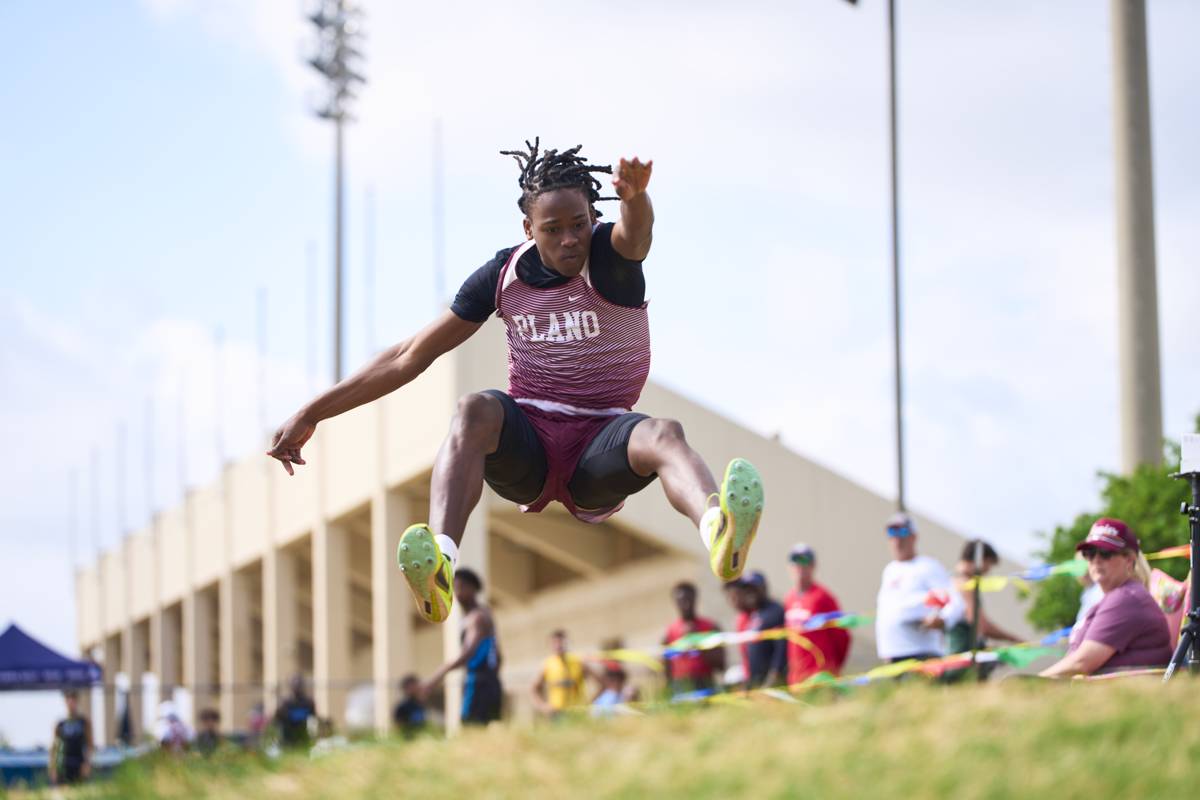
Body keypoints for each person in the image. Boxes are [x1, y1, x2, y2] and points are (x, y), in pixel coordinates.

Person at [267, 140, 765, 625]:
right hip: (529, 447)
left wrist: (636, 199)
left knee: (664, 433)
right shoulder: (502, 276)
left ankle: (717, 527)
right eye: (553, 229)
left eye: (579, 224)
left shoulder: (608, 257)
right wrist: (312, 412)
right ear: (529, 227)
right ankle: (439, 564)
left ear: (594, 215)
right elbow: (407, 356)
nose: (570, 239)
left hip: (601, 445)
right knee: (474, 410)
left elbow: (636, 236)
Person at [1040, 518, 1172, 677]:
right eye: (1089, 553)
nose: (1096, 559)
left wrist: (1031, 683)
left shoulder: (1126, 598)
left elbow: (1082, 663)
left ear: (1129, 560)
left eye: (1105, 553)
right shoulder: (1118, 597)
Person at [875, 513, 964, 663]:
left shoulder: (928, 566)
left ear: (914, 537)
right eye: (891, 533)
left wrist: (942, 619)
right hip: (892, 655)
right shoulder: (889, 570)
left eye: (902, 532)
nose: (897, 540)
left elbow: (955, 601)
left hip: (921, 654)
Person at [421, 568, 503, 725]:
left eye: (460, 588)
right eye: (454, 588)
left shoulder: (476, 618)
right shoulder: (482, 613)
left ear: (473, 588)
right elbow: (498, 656)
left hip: (480, 683)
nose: (457, 593)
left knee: (472, 728)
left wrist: (436, 678)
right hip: (487, 681)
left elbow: (468, 653)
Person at [783, 544, 850, 684]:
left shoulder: (823, 597)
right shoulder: (789, 599)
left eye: (805, 561)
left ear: (813, 566)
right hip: (797, 678)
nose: (800, 567)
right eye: (795, 561)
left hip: (820, 676)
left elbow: (842, 636)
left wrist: (833, 668)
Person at [947, 539, 1021, 655]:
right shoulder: (965, 585)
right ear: (980, 560)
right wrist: (1015, 640)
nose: (987, 572)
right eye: (988, 565)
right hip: (958, 658)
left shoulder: (948, 580)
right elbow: (981, 625)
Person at [661, 582, 724, 695]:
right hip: (679, 687)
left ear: (695, 599)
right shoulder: (669, 633)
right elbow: (666, 666)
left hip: (705, 682)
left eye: (688, 599)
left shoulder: (710, 627)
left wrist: (697, 642)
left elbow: (721, 665)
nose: (685, 605)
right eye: (680, 601)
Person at [736, 571, 787, 688]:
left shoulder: (774, 611)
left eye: (753, 588)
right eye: (746, 589)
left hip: (772, 681)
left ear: (763, 588)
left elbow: (781, 647)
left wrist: (774, 676)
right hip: (756, 680)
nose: (749, 593)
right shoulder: (754, 614)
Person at [532, 629, 596, 717]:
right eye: (555, 643)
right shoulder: (548, 664)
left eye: (561, 642)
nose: (558, 646)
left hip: (577, 711)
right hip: (557, 713)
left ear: (567, 643)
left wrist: (590, 703)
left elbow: (602, 683)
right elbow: (534, 689)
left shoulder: (578, 661)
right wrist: (544, 706)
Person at [47, 689, 92, 786]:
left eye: (73, 699)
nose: (71, 702)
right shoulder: (60, 724)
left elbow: (89, 745)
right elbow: (53, 748)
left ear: (77, 701)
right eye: (68, 699)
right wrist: (53, 767)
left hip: (79, 764)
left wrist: (87, 764)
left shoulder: (83, 722)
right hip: (64, 765)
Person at [274, 674, 317, 749]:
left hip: (303, 735)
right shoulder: (286, 703)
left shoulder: (308, 703)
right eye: (295, 685)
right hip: (288, 737)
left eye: (299, 685)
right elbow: (277, 720)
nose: (297, 687)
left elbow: (313, 717)